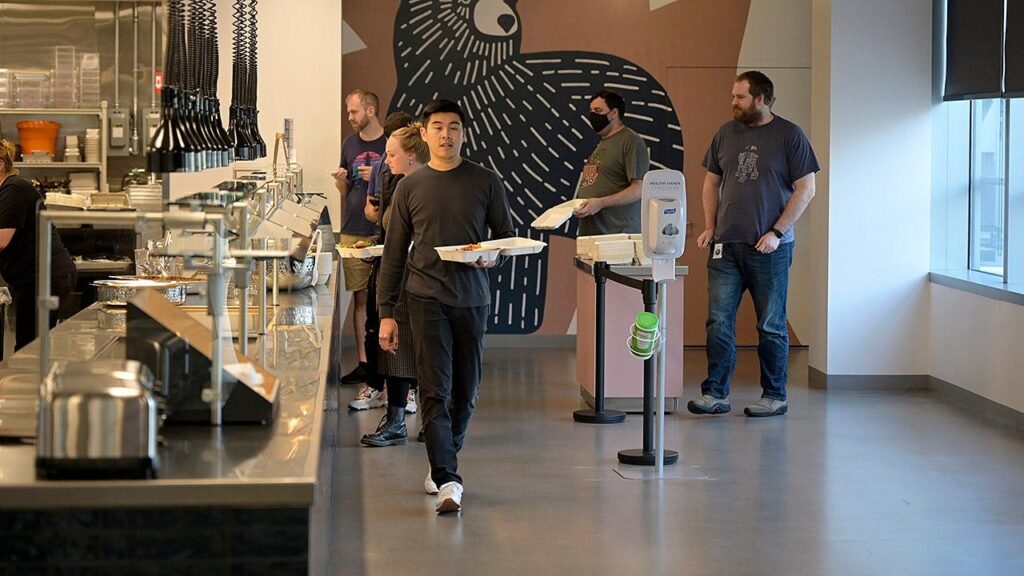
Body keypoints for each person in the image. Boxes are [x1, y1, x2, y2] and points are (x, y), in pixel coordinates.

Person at [377, 99, 514, 513]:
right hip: (425, 298)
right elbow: (394, 254)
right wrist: (386, 313)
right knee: (434, 389)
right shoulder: (410, 187)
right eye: (437, 127)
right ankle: (449, 479)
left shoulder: (486, 181)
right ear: (424, 133)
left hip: (472, 298)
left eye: (454, 127)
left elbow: (504, 238)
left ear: (463, 133)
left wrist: (492, 257)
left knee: (466, 393)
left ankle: (441, 460)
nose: (445, 135)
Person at [688, 71, 818, 418]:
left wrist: (777, 232)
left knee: (771, 324)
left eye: (740, 97)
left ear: (761, 99)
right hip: (726, 246)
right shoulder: (725, 133)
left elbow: (806, 189)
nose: (733, 102)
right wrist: (710, 226)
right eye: (733, 96)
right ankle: (714, 394)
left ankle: (774, 396)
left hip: (770, 249)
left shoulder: (790, 135)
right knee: (718, 321)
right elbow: (711, 183)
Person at [360, 122, 430, 446]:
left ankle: (433, 422)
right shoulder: (398, 184)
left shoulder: (428, 188)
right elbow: (390, 234)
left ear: (411, 155)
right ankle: (396, 422)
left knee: (427, 355)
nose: (386, 161)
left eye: (391, 154)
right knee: (396, 354)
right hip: (396, 280)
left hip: (421, 281)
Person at [348, 110, 417, 412]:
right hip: (384, 257)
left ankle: (408, 392)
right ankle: (376, 386)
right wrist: (375, 242)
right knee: (376, 323)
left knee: (408, 330)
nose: (387, 159)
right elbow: (376, 213)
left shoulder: (423, 182)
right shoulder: (383, 171)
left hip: (413, 267)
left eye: (392, 152)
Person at [0, 139, 77, 350]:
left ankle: (37, 372)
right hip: (34, 278)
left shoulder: (14, 189)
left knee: (30, 348)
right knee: (32, 346)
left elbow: (1, 240)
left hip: (44, 277)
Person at [331, 89, 386, 386]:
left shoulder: (390, 143)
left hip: (382, 230)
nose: (349, 117)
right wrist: (341, 183)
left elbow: (402, 185)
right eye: (348, 111)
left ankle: (387, 363)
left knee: (384, 297)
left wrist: (375, 177)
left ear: (370, 110)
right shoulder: (349, 143)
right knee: (360, 296)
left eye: (354, 111)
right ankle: (365, 363)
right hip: (352, 227)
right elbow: (347, 191)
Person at [572, 89, 651, 235]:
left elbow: (639, 189)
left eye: (598, 110)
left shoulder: (630, 141)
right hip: (593, 234)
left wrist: (601, 203)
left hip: (617, 235)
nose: (593, 116)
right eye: (591, 111)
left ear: (614, 113)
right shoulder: (603, 144)